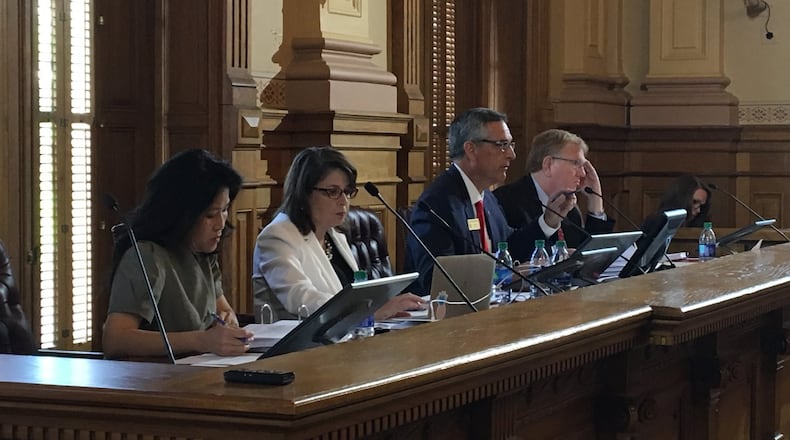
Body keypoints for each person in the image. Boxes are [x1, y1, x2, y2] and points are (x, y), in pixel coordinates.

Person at [103, 149, 252, 360]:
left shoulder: (202, 252)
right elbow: (115, 340)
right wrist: (201, 340)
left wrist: (228, 323)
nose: (220, 224)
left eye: (225, 209)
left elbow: (224, 312)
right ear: (182, 213)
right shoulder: (147, 256)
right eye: (210, 214)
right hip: (156, 383)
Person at [252, 146, 424, 321]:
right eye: (333, 192)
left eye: (347, 192)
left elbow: (354, 297)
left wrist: (383, 306)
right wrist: (370, 313)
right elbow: (302, 299)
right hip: (295, 345)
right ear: (303, 193)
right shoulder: (277, 236)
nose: (344, 201)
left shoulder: (334, 234)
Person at [405, 107, 543, 296]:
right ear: (470, 149)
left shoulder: (487, 198)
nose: (511, 154)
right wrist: (502, 276)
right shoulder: (436, 205)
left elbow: (508, 247)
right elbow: (437, 278)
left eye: (511, 144)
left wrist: (548, 221)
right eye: (502, 144)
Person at [493, 128, 615, 249]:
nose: (583, 174)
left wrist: (596, 202)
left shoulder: (570, 209)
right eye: (576, 163)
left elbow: (593, 256)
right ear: (548, 164)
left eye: (583, 166)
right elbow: (512, 252)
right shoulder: (504, 202)